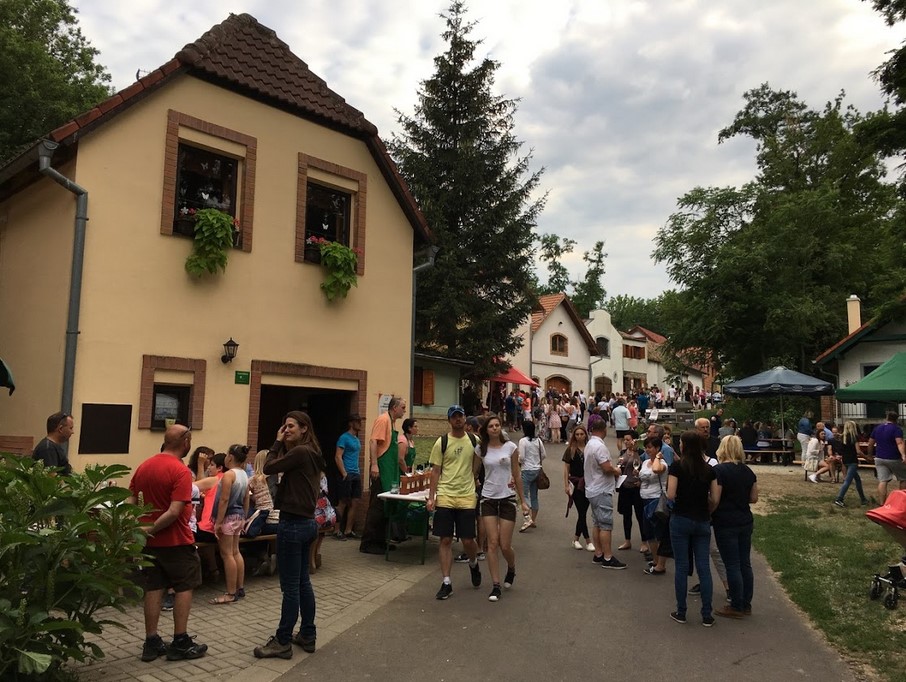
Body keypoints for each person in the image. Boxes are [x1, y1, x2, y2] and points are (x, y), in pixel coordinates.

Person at [127, 424, 207, 662]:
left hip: (149, 544)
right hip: (176, 541)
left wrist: (138, 528)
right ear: (186, 442)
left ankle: (151, 641)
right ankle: (180, 641)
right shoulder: (180, 471)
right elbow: (174, 511)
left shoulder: (144, 466)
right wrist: (151, 529)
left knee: (153, 587)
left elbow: (131, 499)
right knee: (184, 586)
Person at [254, 411, 325, 659]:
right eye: (284, 426)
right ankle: (307, 634)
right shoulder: (312, 452)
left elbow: (268, 467)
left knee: (291, 587)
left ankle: (282, 641)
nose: (286, 430)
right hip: (307, 524)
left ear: (304, 428)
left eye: (291, 426)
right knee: (303, 582)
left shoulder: (300, 452)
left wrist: (276, 442)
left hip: (292, 524)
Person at [427, 405, 482, 600]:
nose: (458, 419)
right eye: (454, 417)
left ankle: (473, 563)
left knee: (468, 540)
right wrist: (432, 497)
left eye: (460, 416)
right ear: (449, 420)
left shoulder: (474, 441)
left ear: (465, 419)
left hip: (466, 496)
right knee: (445, 540)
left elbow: (483, 459)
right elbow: (435, 471)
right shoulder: (441, 442)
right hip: (446, 495)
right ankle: (446, 582)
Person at [476, 415, 531, 601]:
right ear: (486, 429)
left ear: (501, 427)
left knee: (504, 544)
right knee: (492, 543)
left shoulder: (510, 447)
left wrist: (523, 501)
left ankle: (511, 567)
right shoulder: (481, 449)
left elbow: (517, 474)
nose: (494, 428)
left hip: (507, 498)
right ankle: (495, 585)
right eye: (491, 426)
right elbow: (473, 471)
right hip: (488, 498)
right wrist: (473, 484)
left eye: (497, 425)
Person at [667, 430, 719, 626]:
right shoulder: (709, 469)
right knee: (703, 567)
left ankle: (681, 611)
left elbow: (671, 494)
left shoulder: (677, 467)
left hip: (681, 517)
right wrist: (708, 510)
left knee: (681, 566)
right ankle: (707, 613)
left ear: (684, 446)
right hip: (702, 519)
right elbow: (715, 498)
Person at [708, 435, 759, 619]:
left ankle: (736, 604)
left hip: (725, 520)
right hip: (744, 519)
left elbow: (715, 498)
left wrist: (709, 512)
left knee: (732, 564)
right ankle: (746, 603)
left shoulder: (719, 471)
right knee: (745, 563)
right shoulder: (748, 471)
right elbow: (754, 498)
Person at [359, 397, 407, 554]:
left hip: (389, 472)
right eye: (403, 407)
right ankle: (368, 543)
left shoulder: (392, 423)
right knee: (377, 507)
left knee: (385, 507)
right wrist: (374, 464)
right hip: (380, 470)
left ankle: (380, 541)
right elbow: (373, 442)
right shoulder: (383, 420)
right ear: (394, 408)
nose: (404, 410)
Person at [210, 444, 250, 604]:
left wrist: (218, 522)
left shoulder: (229, 475)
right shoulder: (244, 474)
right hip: (239, 516)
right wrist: (244, 516)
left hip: (228, 516)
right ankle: (240, 588)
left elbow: (224, 499)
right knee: (235, 551)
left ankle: (231, 593)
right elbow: (246, 498)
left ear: (230, 457)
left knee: (227, 554)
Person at [584, 415, 626, 569]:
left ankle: (599, 553)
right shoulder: (600, 447)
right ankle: (607, 557)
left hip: (592, 487)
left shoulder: (590, 444)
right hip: (601, 488)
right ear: (604, 429)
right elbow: (606, 468)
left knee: (597, 522)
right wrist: (617, 470)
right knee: (606, 524)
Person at [640, 436, 669, 575]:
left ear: (657, 448)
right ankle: (656, 560)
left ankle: (661, 565)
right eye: (646, 447)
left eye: (650, 447)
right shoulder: (645, 462)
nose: (647, 450)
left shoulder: (662, 463)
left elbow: (657, 470)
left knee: (659, 532)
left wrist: (657, 457)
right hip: (645, 498)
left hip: (656, 499)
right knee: (649, 532)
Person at [563, 425, 594, 551]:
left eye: (582, 434)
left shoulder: (589, 448)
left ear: (586, 435)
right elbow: (566, 468)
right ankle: (588, 541)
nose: (579, 436)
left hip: (589, 483)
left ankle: (575, 539)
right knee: (581, 512)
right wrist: (566, 484)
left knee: (584, 511)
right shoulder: (570, 450)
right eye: (577, 434)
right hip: (576, 484)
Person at [334, 414, 363, 540]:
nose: (360, 423)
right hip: (347, 473)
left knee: (355, 502)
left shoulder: (356, 439)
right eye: (357, 421)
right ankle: (336, 530)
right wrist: (344, 473)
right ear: (351, 423)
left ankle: (348, 530)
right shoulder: (344, 438)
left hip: (356, 473)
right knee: (343, 502)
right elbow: (338, 456)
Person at [868, 411, 906, 503]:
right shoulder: (897, 429)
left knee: (883, 480)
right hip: (894, 458)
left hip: (879, 458)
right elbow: (899, 443)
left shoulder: (877, 428)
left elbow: (870, 443)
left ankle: (882, 503)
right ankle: (901, 501)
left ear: (887, 417)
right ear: (896, 419)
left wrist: (869, 455)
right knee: (903, 478)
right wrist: (903, 455)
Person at [616, 434, 646, 552]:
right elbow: (619, 466)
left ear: (634, 440)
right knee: (626, 515)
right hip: (625, 486)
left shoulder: (641, 452)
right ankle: (627, 540)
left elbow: (644, 466)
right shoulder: (623, 452)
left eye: (628, 439)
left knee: (640, 515)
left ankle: (644, 541)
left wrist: (640, 480)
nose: (626, 442)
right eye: (625, 440)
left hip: (636, 487)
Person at [833, 421, 870, 507]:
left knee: (857, 479)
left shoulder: (843, 437)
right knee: (848, 481)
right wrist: (866, 458)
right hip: (853, 461)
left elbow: (841, 450)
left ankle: (863, 499)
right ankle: (839, 498)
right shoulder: (854, 437)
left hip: (845, 460)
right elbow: (858, 451)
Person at [517, 420, 545, 532]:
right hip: (537, 470)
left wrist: (518, 461)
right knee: (534, 495)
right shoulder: (538, 440)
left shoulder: (523, 441)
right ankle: (533, 519)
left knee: (524, 495)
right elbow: (543, 454)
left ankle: (527, 518)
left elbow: (522, 457)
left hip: (526, 469)